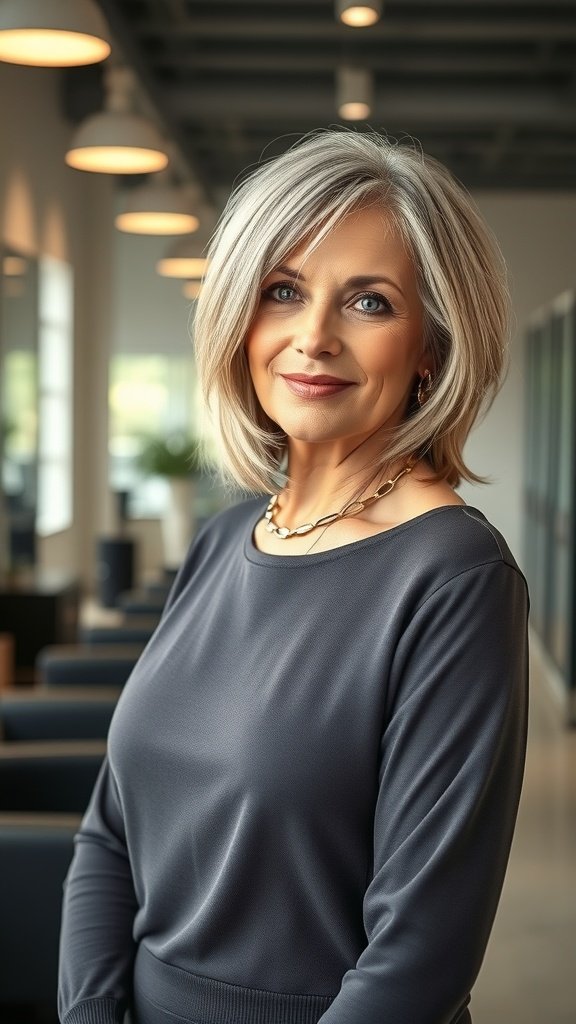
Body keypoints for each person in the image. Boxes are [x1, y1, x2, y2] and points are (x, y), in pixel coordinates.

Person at [58, 130, 529, 1024]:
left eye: (369, 301)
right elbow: (108, 834)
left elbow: (419, 960)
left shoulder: (455, 577)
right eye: (283, 291)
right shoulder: (227, 537)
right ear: (241, 317)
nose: (313, 337)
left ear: (432, 345)